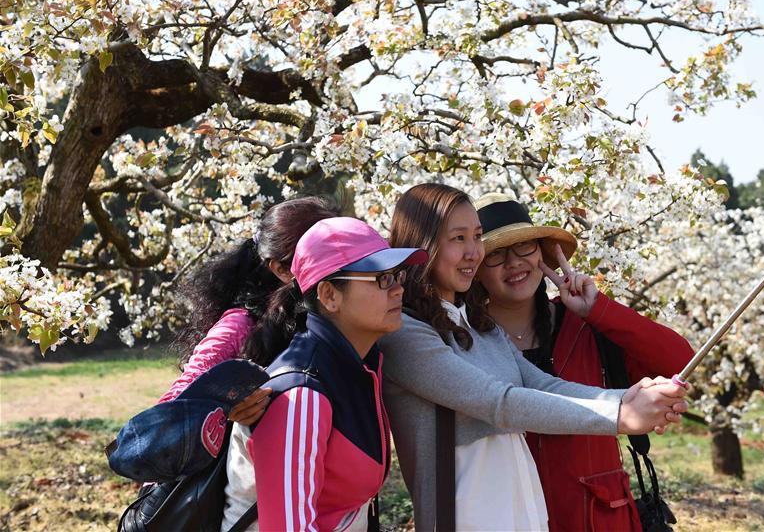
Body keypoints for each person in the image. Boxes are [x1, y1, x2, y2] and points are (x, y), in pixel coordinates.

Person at [380, 183, 689, 531]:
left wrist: (632, 398)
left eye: (477, 237)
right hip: (466, 519)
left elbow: (542, 384)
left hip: (525, 516)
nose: (473, 252)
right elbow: (498, 402)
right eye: (458, 238)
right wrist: (620, 415)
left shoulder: (479, 326)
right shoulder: (405, 332)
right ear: (423, 245)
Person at [473, 193, 695, 531]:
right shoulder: (468, 339)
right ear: (475, 270)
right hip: (510, 514)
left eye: (525, 247)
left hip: (596, 516)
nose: (514, 262)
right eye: (497, 254)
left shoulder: (588, 327)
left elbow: (679, 360)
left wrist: (597, 310)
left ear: (542, 254)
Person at [220, 217, 427, 531]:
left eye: (398, 275)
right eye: (382, 278)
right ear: (329, 295)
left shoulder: (359, 366)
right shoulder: (301, 396)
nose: (399, 289)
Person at [158, 196, 340, 426]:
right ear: (281, 269)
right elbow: (170, 412)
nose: (343, 260)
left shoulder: (338, 314)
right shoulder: (239, 325)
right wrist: (227, 413)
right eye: (326, 252)